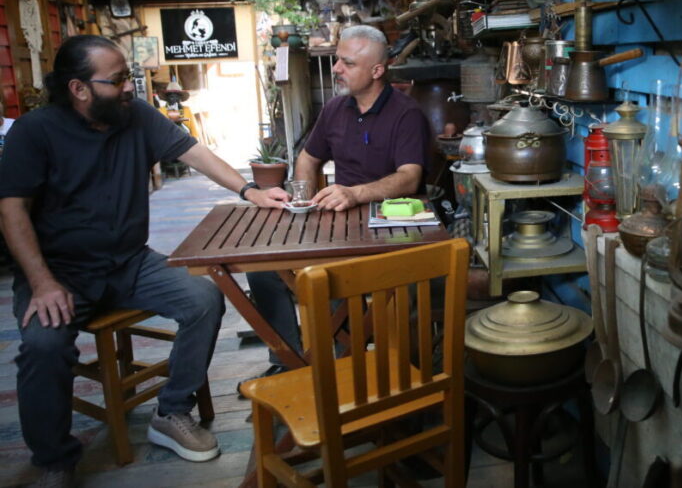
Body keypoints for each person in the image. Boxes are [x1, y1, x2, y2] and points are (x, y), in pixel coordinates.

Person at [0, 35, 289, 488]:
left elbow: (194, 153)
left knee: (203, 299)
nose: (129, 87)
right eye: (116, 80)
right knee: (43, 346)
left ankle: (172, 411)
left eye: (127, 77)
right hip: (58, 272)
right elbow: (11, 210)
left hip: (129, 262)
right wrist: (40, 282)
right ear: (79, 89)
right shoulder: (34, 132)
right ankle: (54, 460)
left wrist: (249, 192)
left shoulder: (136, 117)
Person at [242, 25, 431, 387]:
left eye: (346, 62)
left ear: (377, 70)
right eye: (337, 60)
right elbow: (308, 159)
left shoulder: (406, 114)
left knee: (338, 282)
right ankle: (289, 361)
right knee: (262, 269)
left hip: (389, 231)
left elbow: (409, 177)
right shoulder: (334, 110)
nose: (336, 69)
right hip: (337, 226)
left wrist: (356, 193)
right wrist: (303, 201)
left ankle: (358, 364)